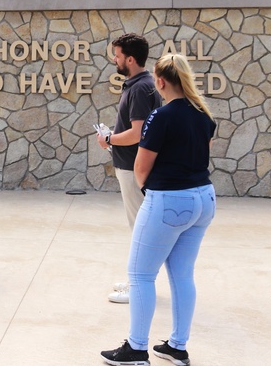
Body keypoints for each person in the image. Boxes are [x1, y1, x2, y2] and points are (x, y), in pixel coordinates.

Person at [100, 54, 217, 366]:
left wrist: (151, 193)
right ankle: (177, 346)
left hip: (169, 199)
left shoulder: (160, 117)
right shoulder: (203, 115)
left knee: (140, 275)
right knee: (182, 274)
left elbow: (141, 168)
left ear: (162, 81)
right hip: (204, 199)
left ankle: (136, 349)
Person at [95, 33, 162, 304]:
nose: (114, 59)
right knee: (140, 227)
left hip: (135, 168)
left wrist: (109, 139)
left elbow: (137, 134)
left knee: (140, 229)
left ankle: (139, 287)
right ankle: (138, 280)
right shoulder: (141, 85)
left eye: (118, 55)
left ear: (130, 59)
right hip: (133, 165)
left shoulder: (139, 88)